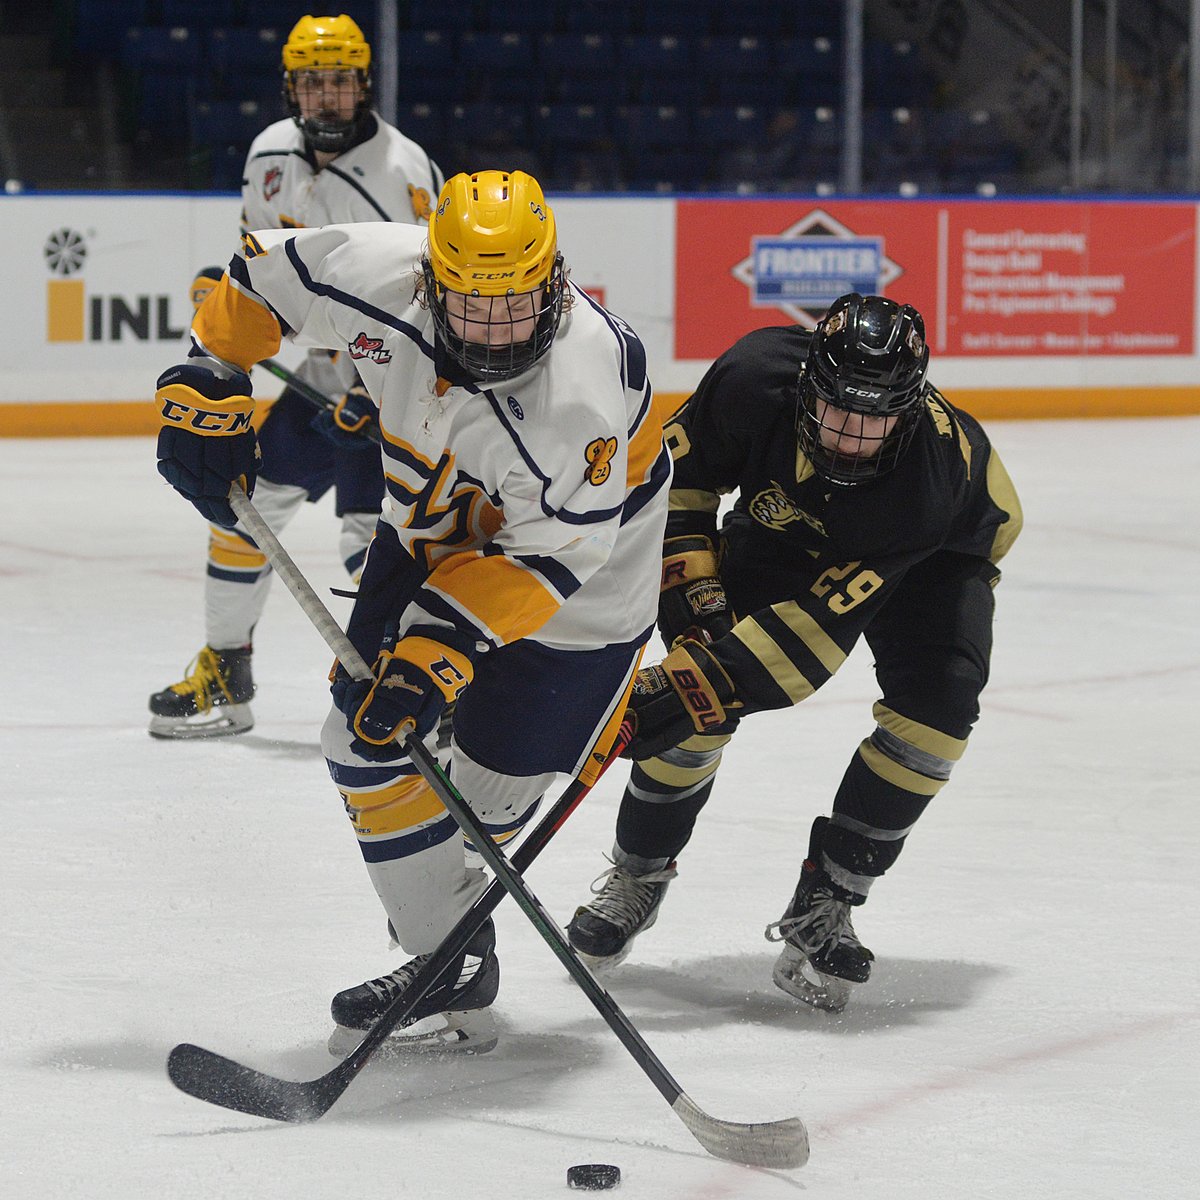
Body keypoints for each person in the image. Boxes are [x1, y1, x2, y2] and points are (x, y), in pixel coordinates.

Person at [153, 169, 672, 1052]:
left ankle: (449, 915)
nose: (495, 332)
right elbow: (254, 279)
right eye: (470, 307)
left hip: (580, 592)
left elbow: (555, 558)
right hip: (431, 532)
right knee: (363, 741)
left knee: (483, 818)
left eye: (515, 306)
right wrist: (214, 371)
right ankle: (453, 961)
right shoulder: (375, 266)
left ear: (552, 281)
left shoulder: (581, 388)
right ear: (433, 283)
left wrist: (436, 653)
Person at [566, 293, 1023, 1012]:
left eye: (877, 419)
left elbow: (808, 642)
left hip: (937, 553)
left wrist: (697, 680)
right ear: (808, 386)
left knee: (935, 712)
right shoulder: (754, 378)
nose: (853, 435)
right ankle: (639, 874)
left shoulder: (927, 482)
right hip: (795, 529)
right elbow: (671, 485)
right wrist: (700, 613)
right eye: (839, 411)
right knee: (698, 691)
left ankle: (832, 896)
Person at [149, 13, 445, 739]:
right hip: (314, 380)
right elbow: (271, 266)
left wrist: (367, 391)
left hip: (388, 390)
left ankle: (419, 692)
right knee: (241, 511)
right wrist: (230, 299)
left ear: (362, 85)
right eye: (312, 84)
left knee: (369, 541)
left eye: (339, 83)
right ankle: (227, 669)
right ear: (291, 88)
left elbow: (434, 305)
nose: (325, 98)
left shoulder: (404, 172)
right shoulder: (268, 154)